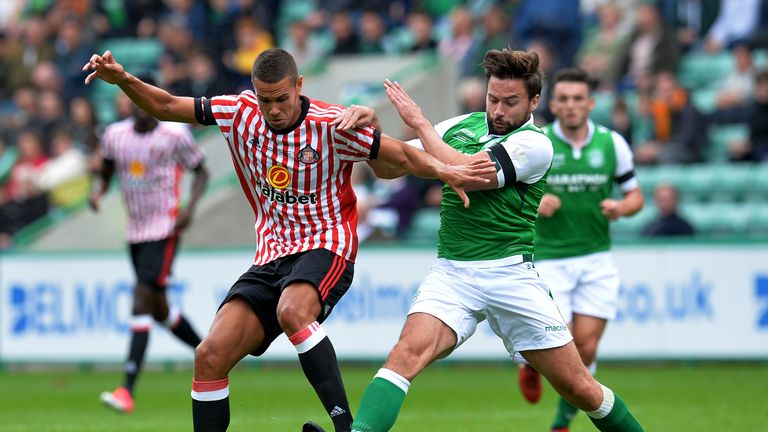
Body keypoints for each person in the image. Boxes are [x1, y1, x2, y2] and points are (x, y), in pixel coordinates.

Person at [82, 47, 494, 432]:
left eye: (281, 98)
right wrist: (124, 80)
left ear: (299, 86)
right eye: (265, 100)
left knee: (293, 311)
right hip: (270, 256)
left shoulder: (333, 124)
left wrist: (447, 172)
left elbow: (400, 156)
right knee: (209, 355)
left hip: (327, 243)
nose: (273, 110)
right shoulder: (239, 112)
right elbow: (167, 106)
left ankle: (345, 427)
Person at [337, 50, 644, 432]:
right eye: (492, 98)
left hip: (511, 277)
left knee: (580, 388)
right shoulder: (458, 126)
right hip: (452, 274)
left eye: (510, 102)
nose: (498, 110)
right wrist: (373, 137)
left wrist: (419, 124)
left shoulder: (535, 143)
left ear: (533, 101)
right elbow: (391, 167)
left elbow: (466, 174)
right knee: (405, 353)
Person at [516, 68, 645, 432]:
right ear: (552, 103)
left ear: (590, 103)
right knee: (563, 345)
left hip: (597, 258)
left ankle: (560, 423)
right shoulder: (537, 142)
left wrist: (622, 208)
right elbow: (506, 193)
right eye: (564, 99)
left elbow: (636, 196)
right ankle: (530, 364)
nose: (571, 106)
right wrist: (535, 201)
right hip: (550, 259)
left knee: (585, 350)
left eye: (578, 99)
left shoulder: (611, 143)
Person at [92, 80, 210, 414]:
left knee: (142, 297)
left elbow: (202, 171)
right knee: (159, 308)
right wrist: (99, 190)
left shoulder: (174, 136)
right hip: (135, 231)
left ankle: (126, 389)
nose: (136, 107)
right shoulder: (115, 135)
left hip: (165, 227)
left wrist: (190, 208)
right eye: (130, 102)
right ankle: (211, 352)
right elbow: (106, 166)